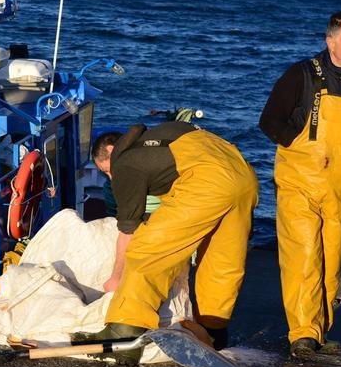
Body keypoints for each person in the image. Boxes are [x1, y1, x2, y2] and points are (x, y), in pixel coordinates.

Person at [259, 11, 341, 359]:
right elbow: (269, 120)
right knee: (303, 257)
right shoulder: (300, 75)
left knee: (331, 260)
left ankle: (320, 330)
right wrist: (298, 144)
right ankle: (302, 334)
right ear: (331, 41)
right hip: (299, 182)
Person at [75, 121, 259, 351]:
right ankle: (212, 330)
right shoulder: (160, 140)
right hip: (244, 175)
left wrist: (116, 276)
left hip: (207, 181)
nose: (111, 178)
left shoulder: (125, 163)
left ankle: (126, 326)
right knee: (221, 260)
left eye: (106, 171)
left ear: (112, 152)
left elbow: (128, 230)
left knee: (149, 249)